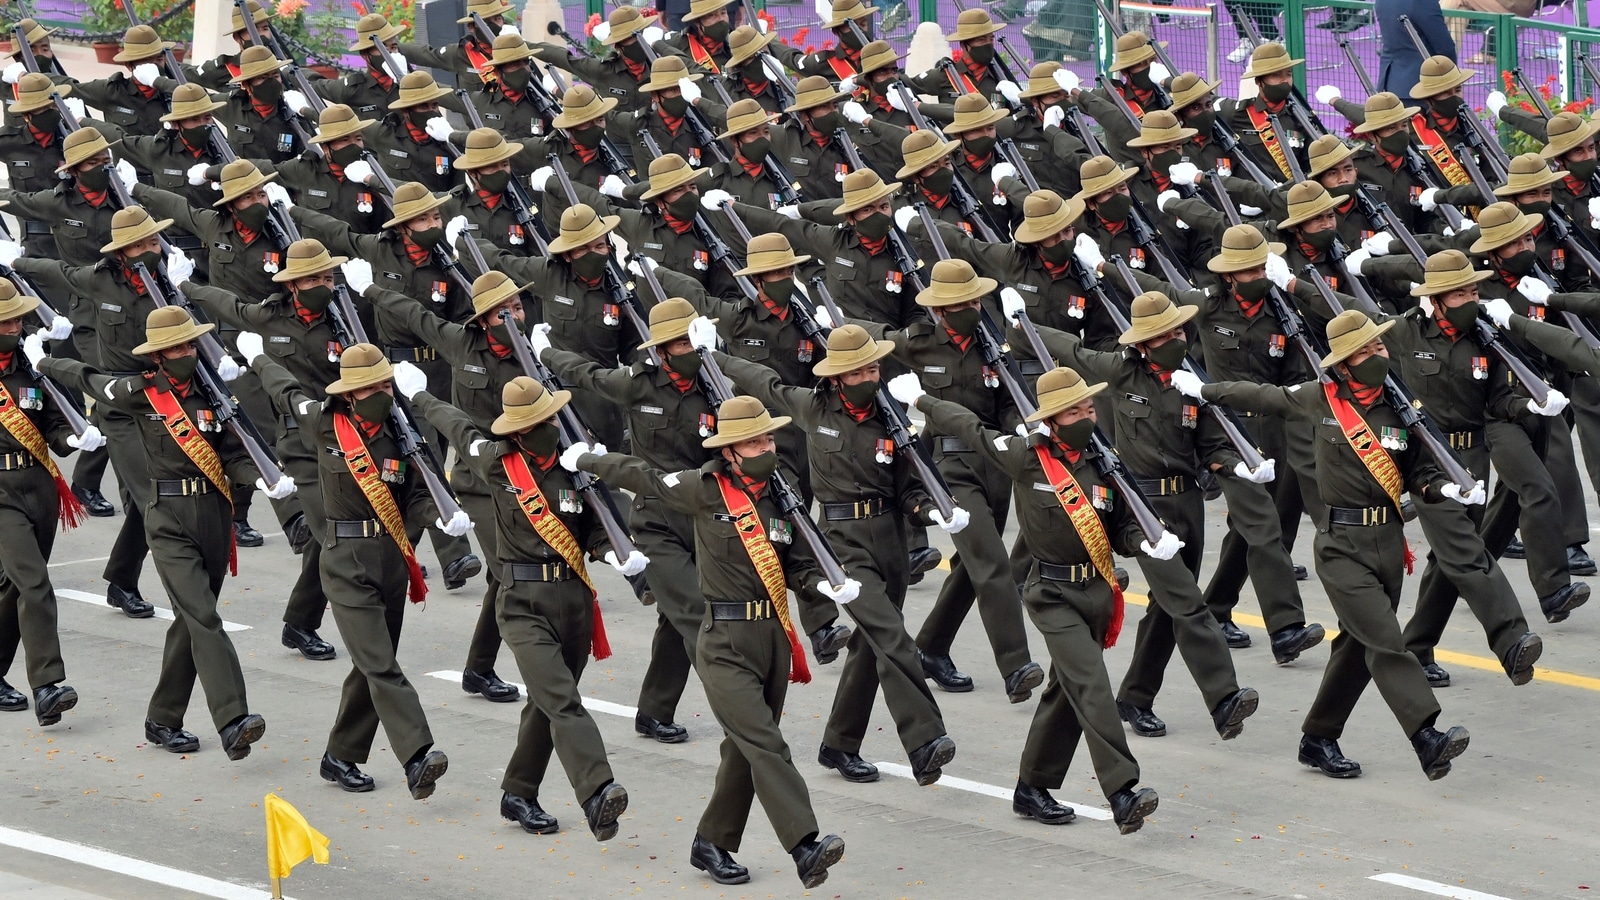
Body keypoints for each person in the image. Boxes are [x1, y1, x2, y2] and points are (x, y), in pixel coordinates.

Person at [1175, 310, 1477, 780]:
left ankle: (1318, 738)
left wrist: (1446, 490)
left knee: (1359, 647)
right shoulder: (1322, 399)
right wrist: (1205, 390)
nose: (1379, 354)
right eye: (1367, 350)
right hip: (1341, 546)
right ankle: (1426, 736)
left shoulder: (1400, 408)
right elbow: (1265, 396)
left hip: (1388, 544)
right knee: (1386, 642)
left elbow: (1421, 472)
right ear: (1344, 362)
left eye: (1380, 347)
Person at [566, 397, 850, 890]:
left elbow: (798, 563)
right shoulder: (705, 489)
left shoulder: (784, 495)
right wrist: (586, 459)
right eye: (756, 441)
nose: (768, 447)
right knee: (765, 743)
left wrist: (822, 585)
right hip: (723, 642)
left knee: (745, 748)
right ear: (732, 451)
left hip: (772, 638)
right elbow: (642, 475)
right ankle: (805, 844)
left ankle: (711, 842)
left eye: (769, 438)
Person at [893, 366, 1162, 834]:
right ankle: (1122, 791)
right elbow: (970, 427)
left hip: (1097, 593)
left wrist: (1146, 540)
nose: (1086, 416)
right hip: (1053, 595)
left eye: (1090, 407)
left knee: (1067, 692)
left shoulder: (1103, 461)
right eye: (1074, 411)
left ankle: (1031, 787)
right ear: (1052, 420)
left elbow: (1120, 527)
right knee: (1092, 685)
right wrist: (921, 402)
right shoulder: (1027, 458)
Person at [727, 321, 961, 786]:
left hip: (889, 537)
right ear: (836, 378)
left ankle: (839, 744)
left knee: (871, 646)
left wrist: (930, 512)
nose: (870, 378)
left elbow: (911, 486)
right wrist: (713, 354)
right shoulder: (812, 408)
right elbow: (763, 381)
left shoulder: (891, 417)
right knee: (891, 635)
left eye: (874, 368)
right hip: (841, 541)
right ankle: (924, 740)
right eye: (858, 372)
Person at [38, 309, 274, 760]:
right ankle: (233, 718)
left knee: (191, 620)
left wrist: (258, 479)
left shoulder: (214, 396)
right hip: (167, 518)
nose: (188, 353)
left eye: (191, 345)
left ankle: (163, 718)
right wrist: (47, 361)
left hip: (213, 515)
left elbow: (232, 452)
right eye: (179, 347)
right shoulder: (142, 393)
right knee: (204, 616)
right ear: (160, 356)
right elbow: (91, 378)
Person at [409, 372, 633, 840]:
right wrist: (420, 395)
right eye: (537, 423)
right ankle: (597, 792)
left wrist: (609, 550)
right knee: (562, 700)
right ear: (517, 433)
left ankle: (518, 793)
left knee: (545, 701)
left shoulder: (575, 462)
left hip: (572, 598)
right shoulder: (498, 462)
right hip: (522, 602)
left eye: (549, 417)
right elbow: (457, 427)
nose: (548, 426)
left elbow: (595, 523)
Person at [255, 343, 455, 799]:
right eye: (372, 387)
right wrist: (254, 357)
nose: (382, 393)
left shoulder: (403, 432)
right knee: (381, 664)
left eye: (386, 385)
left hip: (392, 558)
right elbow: (285, 391)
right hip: (344, 559)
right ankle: (417, 754)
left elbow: (419, 496)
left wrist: (436, 517)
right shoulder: (325, 422)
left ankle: (340, 755)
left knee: (370, 665)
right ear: (350, 394)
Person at [0, 286, 96, 728]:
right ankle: (47, 685)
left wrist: (73, 439)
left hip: (39, 488)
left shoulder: (31, 370)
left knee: (15, 588)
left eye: (18, 320)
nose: (14, 328)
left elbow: (55, 424)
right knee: (35, 582)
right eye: (5, 322)